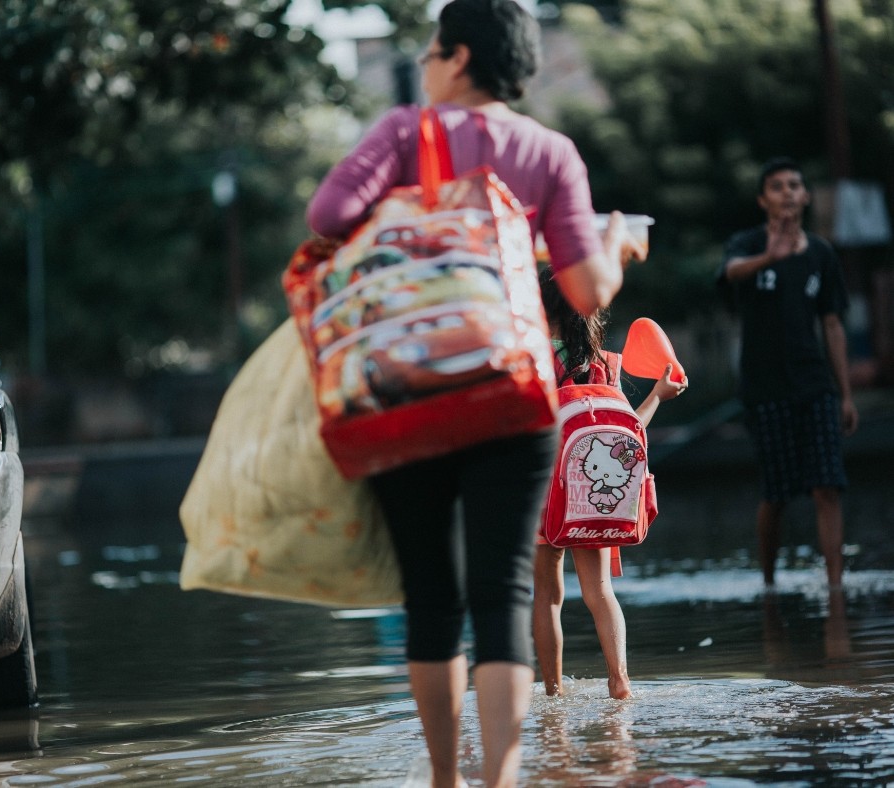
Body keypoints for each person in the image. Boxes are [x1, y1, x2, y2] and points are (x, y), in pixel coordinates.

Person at [306, 2, 646, 785]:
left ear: (456, 58)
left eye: (430, 52)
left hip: (409, 392)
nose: (426, 65)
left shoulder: (404, 134)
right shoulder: (548, 151)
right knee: (504, 593)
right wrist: (615, 243)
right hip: (514, 396)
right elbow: (588, 288)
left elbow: (326, 215)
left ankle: (444, 781)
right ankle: (500, 778)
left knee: (431, 596)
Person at [531, 266, 687, 701]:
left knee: (547, 595)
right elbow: (625, 436)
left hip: (544, 491)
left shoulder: (531, 361)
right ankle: (620, 682)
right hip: (593, 495)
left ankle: (554, 692)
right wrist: (658, 393)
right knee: (601, 593)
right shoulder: (606, 365)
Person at [719, 157, 859, 591]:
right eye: (776, 186)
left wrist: (846, 394)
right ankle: (769, 585)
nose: (787, 192)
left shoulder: (821, 253)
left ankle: (835, 587)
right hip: (765, 388)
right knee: (776, 494)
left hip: (814, 384)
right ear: (763, 199)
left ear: (805, 195)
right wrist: (769, 257)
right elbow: (728, 274)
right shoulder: (746, 244)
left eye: (794, 185)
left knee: (827, 486)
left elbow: (832, 324)